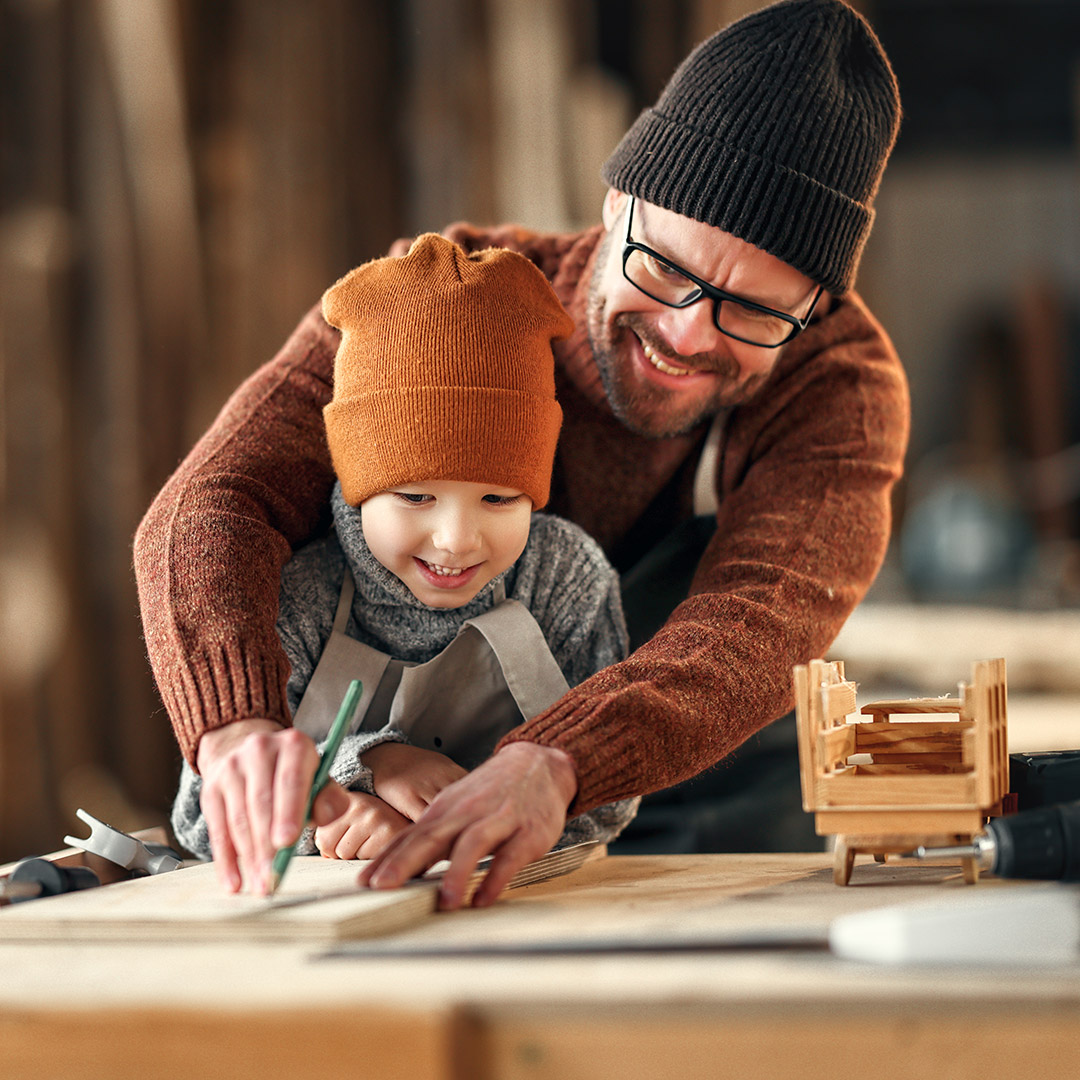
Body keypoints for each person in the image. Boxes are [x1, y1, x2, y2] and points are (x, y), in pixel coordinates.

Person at [135, 0, 909, 908]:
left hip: (714, 830)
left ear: (815, 308)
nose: (686, 333)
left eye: (755, 311)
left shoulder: (839, 388)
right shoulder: (442, 298)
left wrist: (562, 759)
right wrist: (235, 724)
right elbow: (215, 500)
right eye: (664, 267)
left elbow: (762, 619)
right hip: (410, 821)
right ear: (617, 203)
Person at [168, 234, 639, 895]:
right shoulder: (297, 594)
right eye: (416, 495)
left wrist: (477, 817)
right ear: (357, 482)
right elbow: (200, 821)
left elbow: (614, 801)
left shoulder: (565, 580)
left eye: (499, 498)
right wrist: (356, 790)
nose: (454, 539)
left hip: (533, 909)